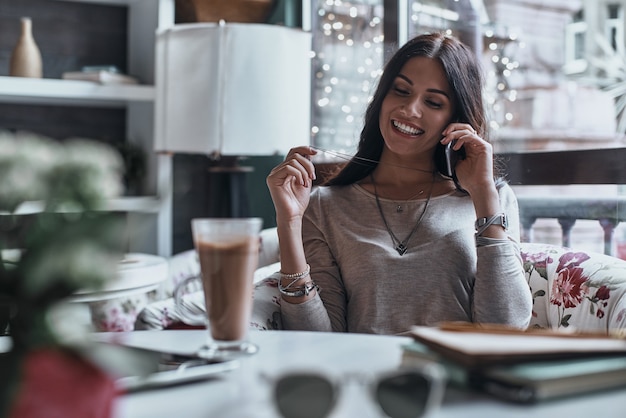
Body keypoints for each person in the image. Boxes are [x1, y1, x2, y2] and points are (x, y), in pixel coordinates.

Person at [266, 32, 532, 335]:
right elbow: (316, 339)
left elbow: (507, 327)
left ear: (455, 118)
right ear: (382, 98)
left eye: (433, 102)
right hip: (365, 377)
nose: (410, 109)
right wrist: (288, 222)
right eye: (401, 91)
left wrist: (483, 196)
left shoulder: (491, 198)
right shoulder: (325, 207)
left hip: (458, 377)